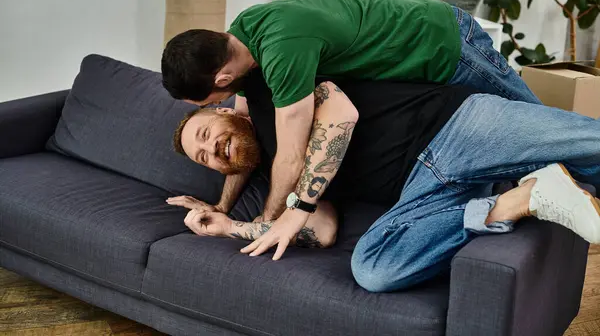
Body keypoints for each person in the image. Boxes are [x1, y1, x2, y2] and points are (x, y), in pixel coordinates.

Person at [169, 73, 600, 292]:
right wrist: (228, 225)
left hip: (458, 128)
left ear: (225, 110)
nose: (213, 151)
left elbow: (336, 107)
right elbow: (323, 230)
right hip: (428, 191)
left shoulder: (273, 93)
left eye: (206, 135)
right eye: (203, 158)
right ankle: (520, 198)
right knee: (374, 269)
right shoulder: (274, 181)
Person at [160, 0, 542, 233]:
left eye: (209, 101)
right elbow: (240, 121)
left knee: (538, 133)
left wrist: (267, 219)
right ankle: (542, 194)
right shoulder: (241, 42)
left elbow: (292, 158)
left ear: (222, 76)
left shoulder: (281, 53)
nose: (218, 107)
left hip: (441, 42)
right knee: (532, 148)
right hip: (419, 74)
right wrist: (223, 207)